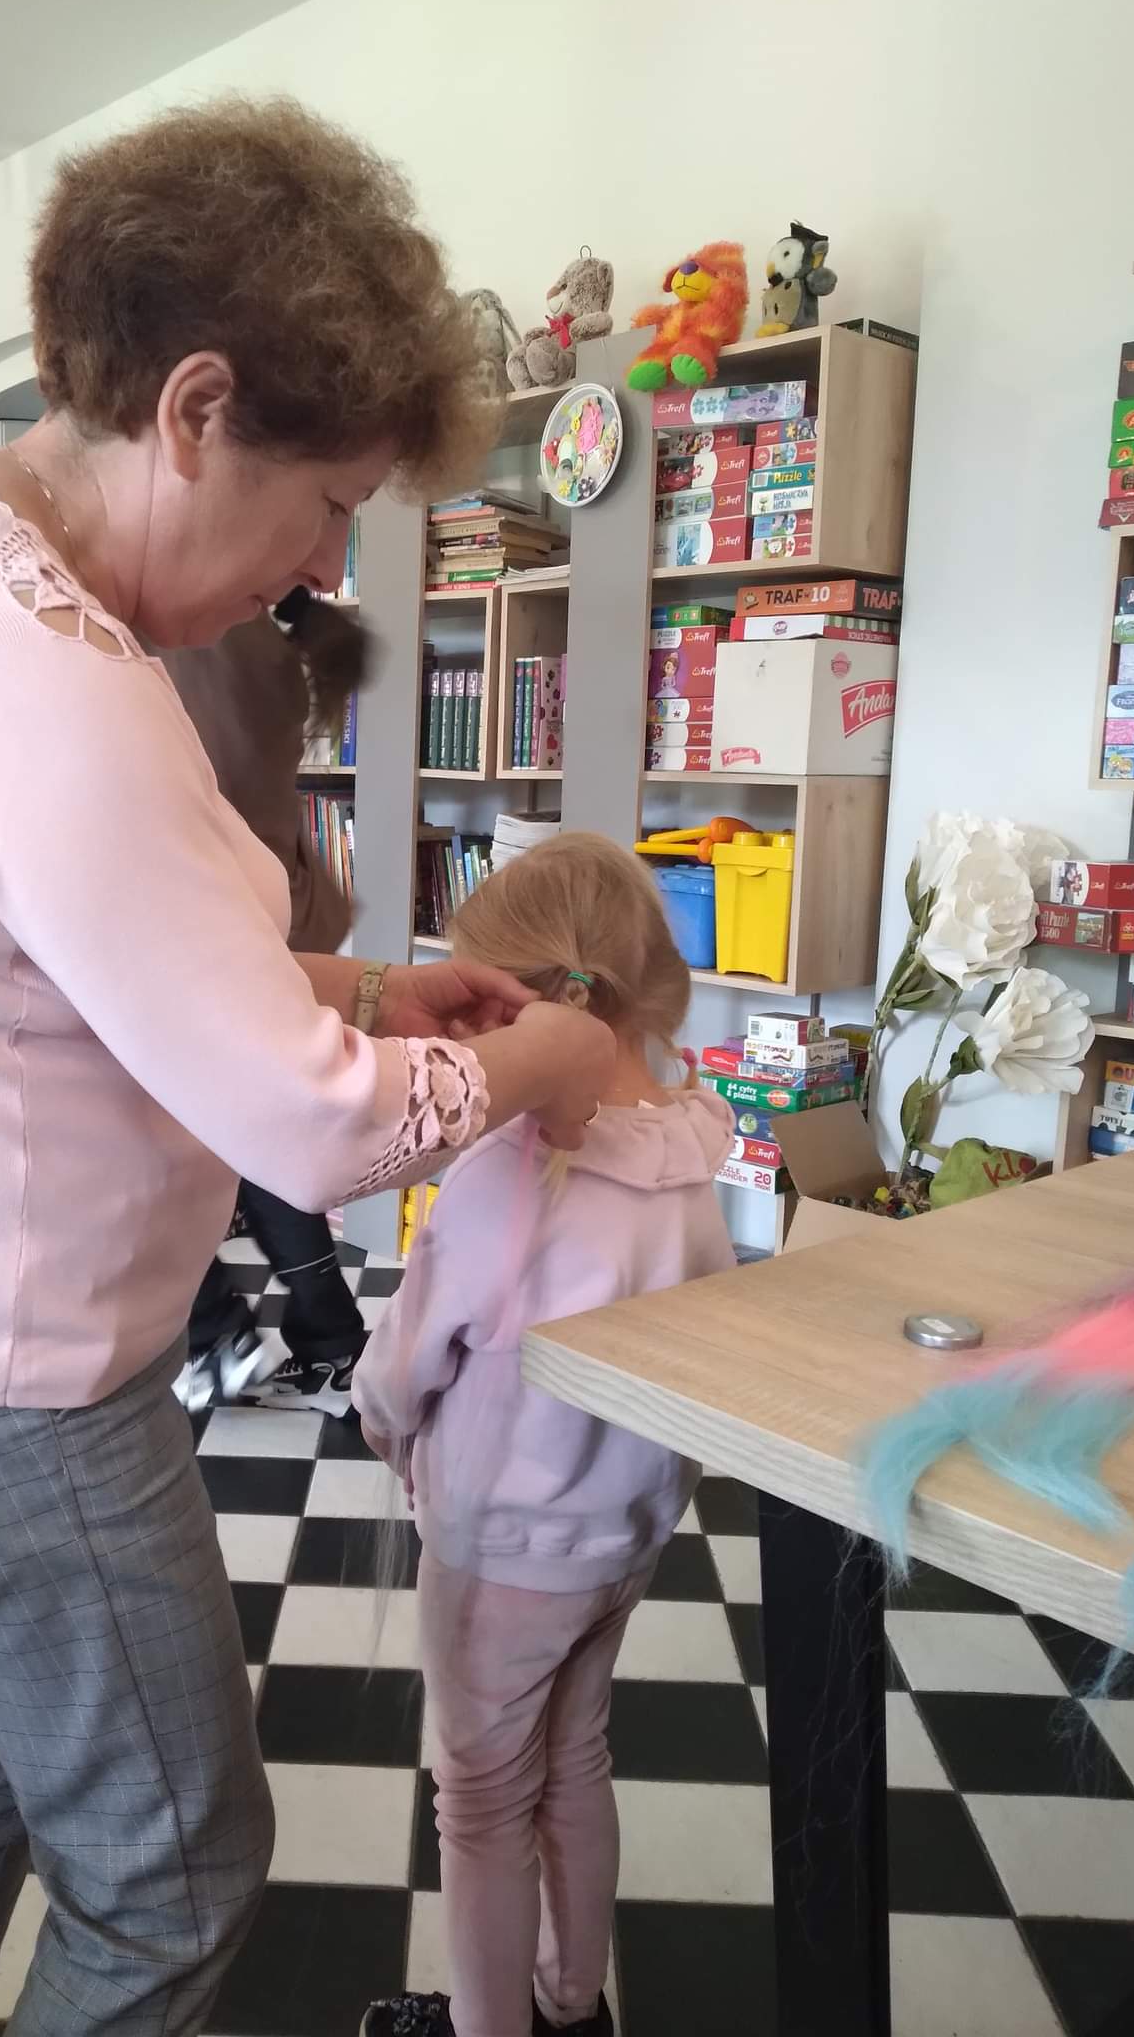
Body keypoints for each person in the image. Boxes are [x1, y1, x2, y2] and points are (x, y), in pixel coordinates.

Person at [0, 98, 614, 2037]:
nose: (320, 569)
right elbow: (308, 1126)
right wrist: (549, 1057)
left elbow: (67, 960)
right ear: (197, 410)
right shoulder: (32, 662)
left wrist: (367, 981)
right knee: (172, 1873)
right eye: (327, 505)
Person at [354, 833, 736, 2037]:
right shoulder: (692, 1154)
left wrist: (385, 1426)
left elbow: (403, 1367)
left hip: (501, 1540)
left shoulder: (513, 1170)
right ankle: (570, 2000)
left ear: (517, 1008)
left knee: (479, 1798)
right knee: (576, 1756)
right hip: (625, 1532)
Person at [167, 589, 370, 1413]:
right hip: (265, 916)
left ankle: (214, 1335)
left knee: (153, 1143)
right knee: (253, 1141)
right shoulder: (261, 646)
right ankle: (328, 1340)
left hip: (200, 924)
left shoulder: (182, 640)